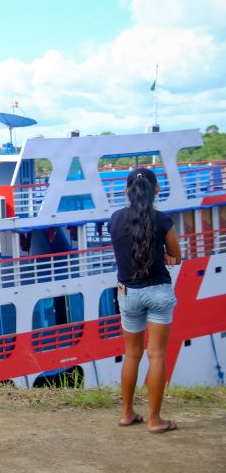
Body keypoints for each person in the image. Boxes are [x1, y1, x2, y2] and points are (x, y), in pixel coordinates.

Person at [108, 167, 182, 434]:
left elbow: (124, 247)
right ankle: (154, 420)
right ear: (156, 190)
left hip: (128, 293)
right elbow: (176, 256)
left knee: (132, 354)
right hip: (158, 290)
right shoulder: (162, 220)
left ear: (127, 190)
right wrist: (165, 256)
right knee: (157, 354)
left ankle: (127, 414)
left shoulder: (116, 219)